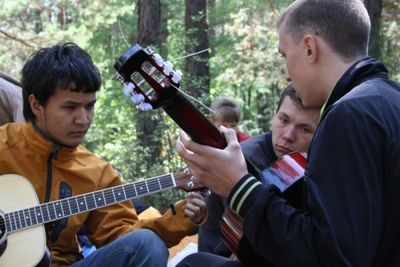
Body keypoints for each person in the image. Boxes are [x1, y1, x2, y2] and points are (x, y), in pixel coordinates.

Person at [176, 0, 400, 266]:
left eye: (284, 55)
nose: (286, 76)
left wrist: (239, 186)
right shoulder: (389, 100)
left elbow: (333, 256)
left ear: (309, 48)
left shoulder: (348, 115)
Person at [0, 43, 207, 267]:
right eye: (70, 107)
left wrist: (180, 219)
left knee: (147, 244)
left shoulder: (97, 172)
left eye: (89, 106)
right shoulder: (4, 145)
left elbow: (123, 240)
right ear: (36, 105)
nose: (84, 119)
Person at [198, 85, 320, 263]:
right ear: (274, 116)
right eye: (284, 120)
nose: (288, 136)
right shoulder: (245, 159)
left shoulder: (318, 162)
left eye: (305, 129)